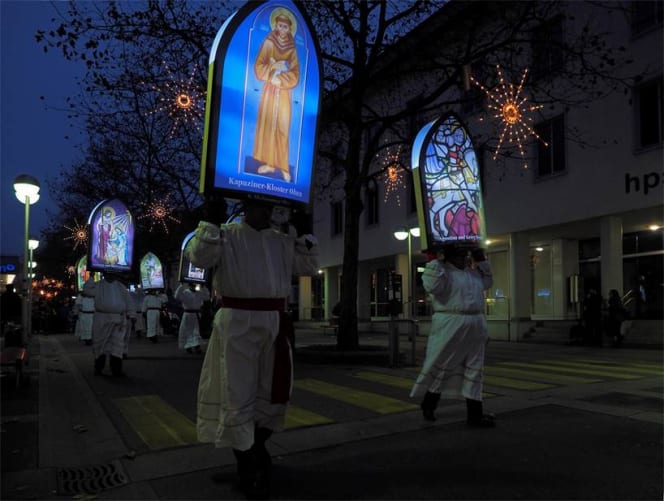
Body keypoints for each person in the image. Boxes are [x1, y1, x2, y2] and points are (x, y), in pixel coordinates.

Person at [186, 199, 318, 500]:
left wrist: (305, 232)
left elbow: (309, 266)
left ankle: (256, 446)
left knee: (274, 391)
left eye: (270, 207)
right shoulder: (228, 234)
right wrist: (210, 222)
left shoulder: (280, 240)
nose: (267, 212)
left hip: (275, 322)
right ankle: (248, 463)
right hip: (238, 323)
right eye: (260, 206)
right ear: (246, 206)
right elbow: (199, 257)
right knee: (238, 392)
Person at [410, 244, 495, 427]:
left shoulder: (472, 273)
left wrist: (481, 259)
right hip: (451, 323)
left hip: (475, 322)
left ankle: (475, 415)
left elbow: (488, 282)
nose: (464, 258)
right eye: (459, 254)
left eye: (466, 254)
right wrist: (434, 260)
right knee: (442, 366)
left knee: (475, 369)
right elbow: (432, 285)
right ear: (448, 256)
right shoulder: (442, 271)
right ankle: (429, 404)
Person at [253, 7, 300, 183]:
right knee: (268, 125)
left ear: (289, 29)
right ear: (275, 26)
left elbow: (295, 73)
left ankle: (283, 167)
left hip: (284, 91)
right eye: (279, 25)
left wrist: (283, 79)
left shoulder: (292, 49)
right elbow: (258, 67)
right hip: (270, 90)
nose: (282, 29)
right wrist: (273, 70)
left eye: (285, 27)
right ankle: (270, 163)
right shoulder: (268, 42)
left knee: (282, 127)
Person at [83, 273, 135, 377]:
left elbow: (128, 301)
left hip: (118, 319)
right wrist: (92, 277)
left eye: (112, 273)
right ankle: (98, 368)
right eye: (108, 273)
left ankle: (116, 370)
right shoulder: (98, 285)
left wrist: (131, 314)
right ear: (104, 274)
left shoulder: (121, 287)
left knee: (117, 345)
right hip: (102, 319)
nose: (110, 276)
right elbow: (87, 291)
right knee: (100, 343)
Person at [174, 282, 209, 354]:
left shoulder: (200, 292)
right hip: (187, 314)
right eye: (193, 285)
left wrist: (204, 286)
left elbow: (207, 297)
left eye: (196, 285)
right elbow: (177, 296)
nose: (195, 286)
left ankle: (197, 347)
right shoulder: (185, 292)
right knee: (187, 331)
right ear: (190, 285)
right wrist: (181, 285)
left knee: (196, 331)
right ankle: (188, 346)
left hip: (196, 315)